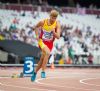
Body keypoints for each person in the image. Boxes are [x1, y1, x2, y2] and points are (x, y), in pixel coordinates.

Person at [31, 9, 61, 81]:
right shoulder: (43, 22)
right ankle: (43, 71)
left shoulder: (57, 24)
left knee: (42, 59)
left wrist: (54, 33)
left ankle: (34, 73)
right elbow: (36, 27)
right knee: (47, 53)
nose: (53, 19)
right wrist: (37, 35)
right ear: (50, 16)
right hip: (42, 41)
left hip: (50, 43)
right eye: (52, 17)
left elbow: (58, 37)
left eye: (55, 18)